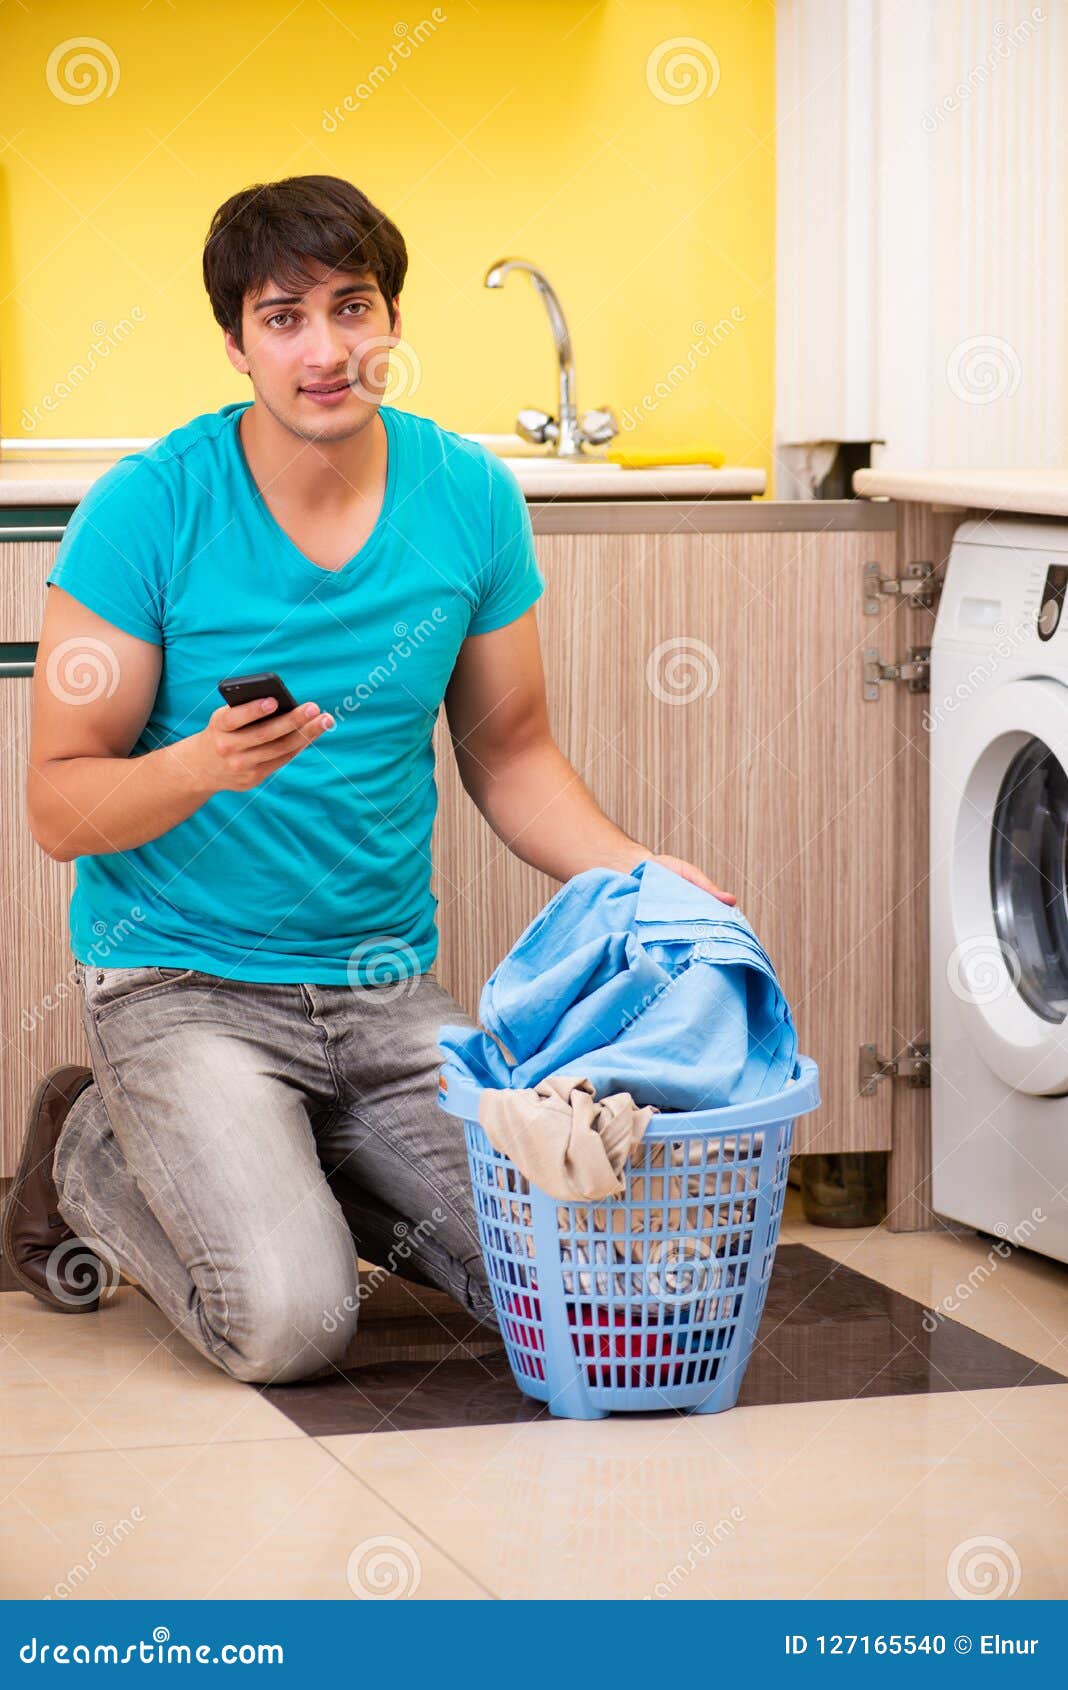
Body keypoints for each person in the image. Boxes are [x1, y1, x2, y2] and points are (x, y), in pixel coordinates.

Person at [4, 174, 732, 1386]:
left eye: (353, 308)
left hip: (384, 992)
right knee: (294, 1325)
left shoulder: (469, 497)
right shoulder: (150, 507)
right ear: (236, 343)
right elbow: (57, 804)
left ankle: (284, 1160)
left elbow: (512, 752)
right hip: (182, 985)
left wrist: (641, 869)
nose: (327, 349)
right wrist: (201, 765)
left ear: (393, 323)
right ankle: (92, 1152)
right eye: (284, 318)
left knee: (581, 1287)